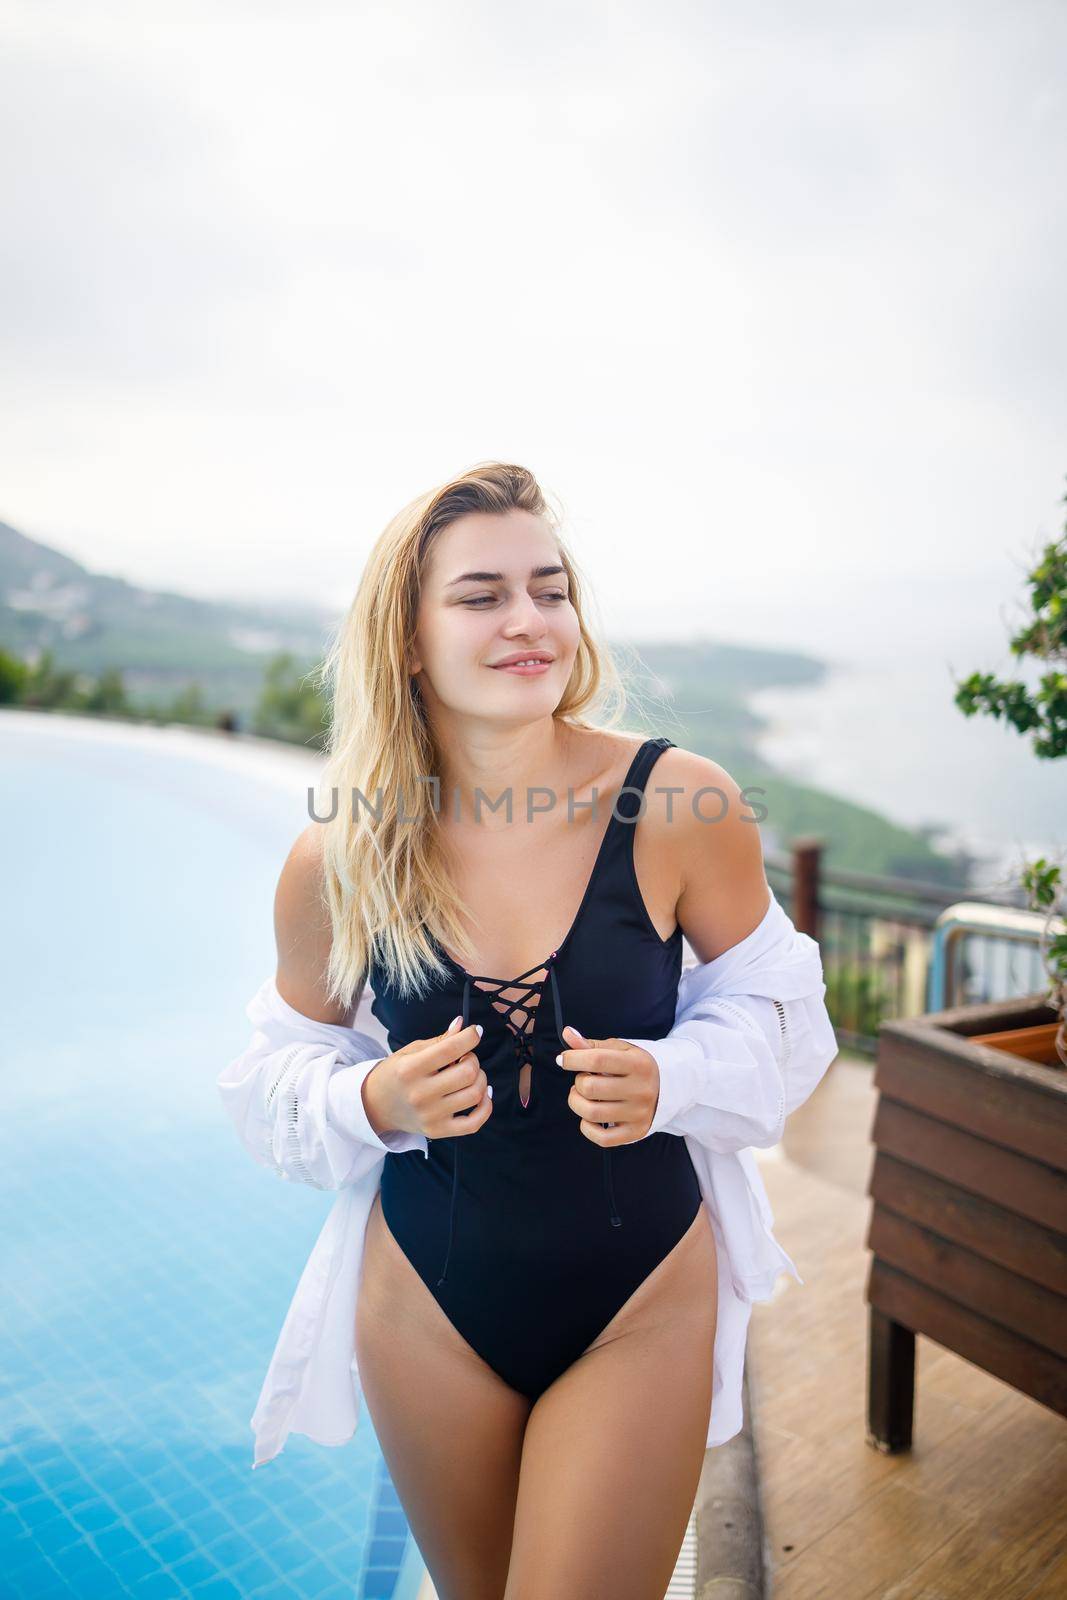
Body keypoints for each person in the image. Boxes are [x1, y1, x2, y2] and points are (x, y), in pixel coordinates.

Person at [218, 461, 837, 1600]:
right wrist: (371, 1100)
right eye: (480, 595)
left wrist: (674, 1073)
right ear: (405, 638)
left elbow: (786, 1017)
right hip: (427, 1311)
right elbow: (270, 1078)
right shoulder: (341, 854)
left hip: (637, 1297)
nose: (527, 620)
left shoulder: (679, 802)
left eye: (548, 589)